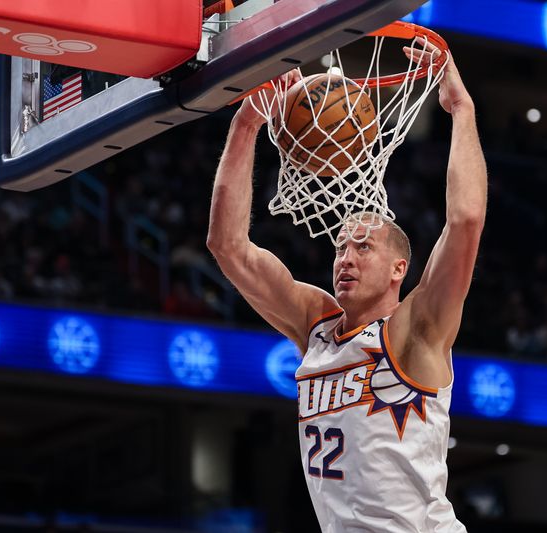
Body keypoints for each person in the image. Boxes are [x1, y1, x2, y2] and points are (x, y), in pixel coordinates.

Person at [207, 36, 486, 532]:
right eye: (340, 247)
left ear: (400, 269)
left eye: (363, 247)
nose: (345, 258)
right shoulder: (314, 325)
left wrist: (461, 108)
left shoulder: (415, 330)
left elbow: (464, 221)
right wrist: (248, 121)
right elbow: (227, 245)